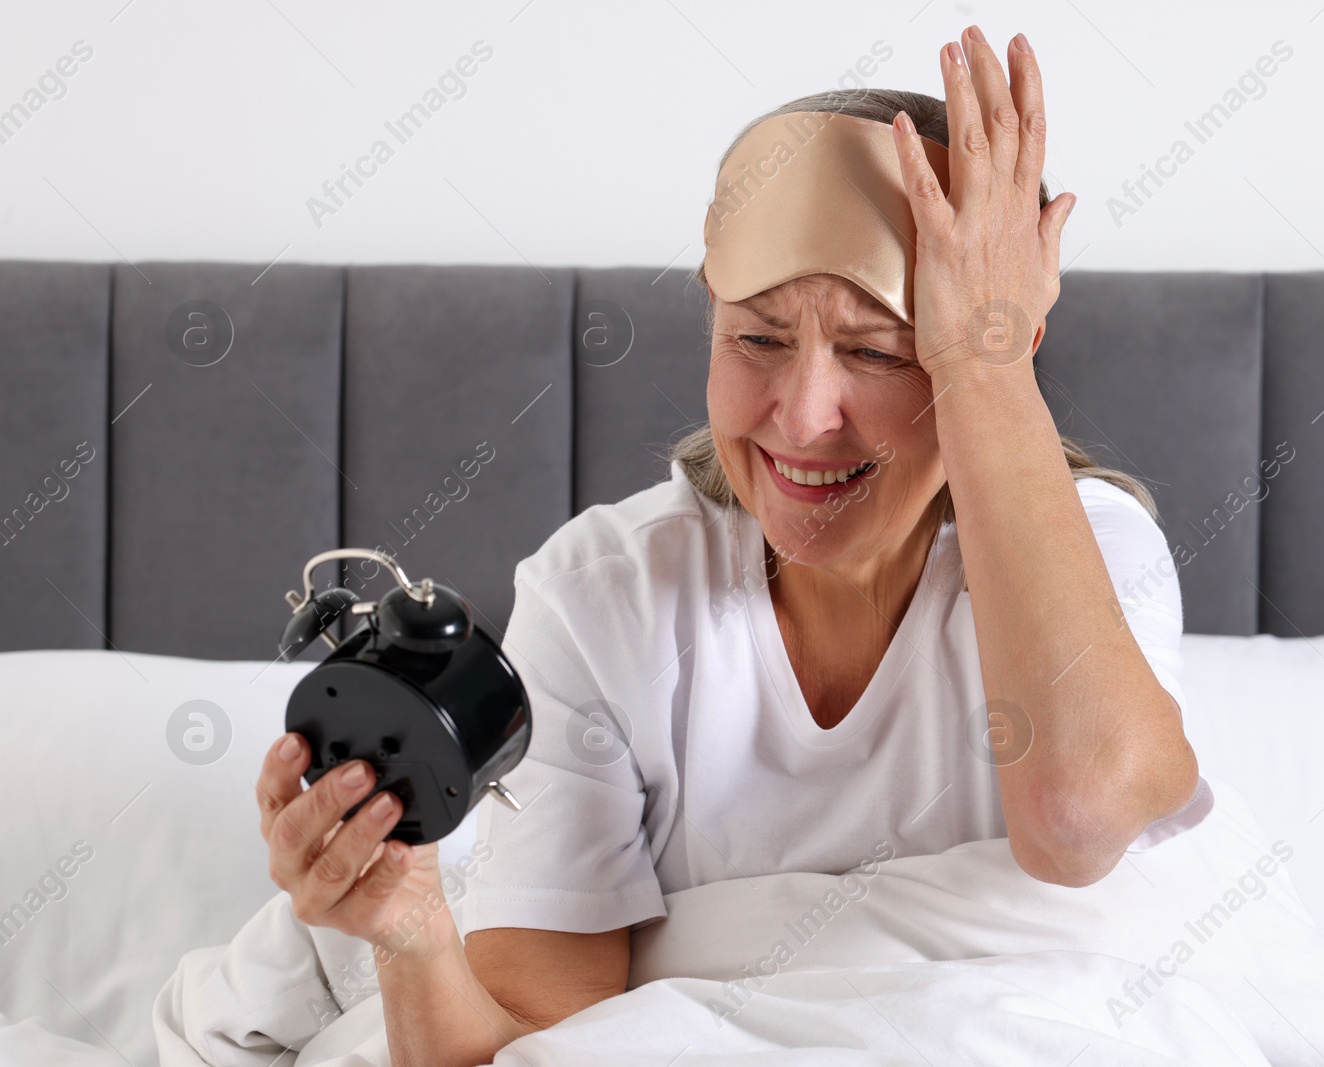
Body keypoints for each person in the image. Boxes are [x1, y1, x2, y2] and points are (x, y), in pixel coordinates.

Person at [253, 25, 1208, 1067]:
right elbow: (529, 1047)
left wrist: (980, 357)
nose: (802, 418)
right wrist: (409, 931)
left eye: (880, 352)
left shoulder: (1098, 552)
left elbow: (1074, 822)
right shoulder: (605, 592)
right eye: (755, 338)